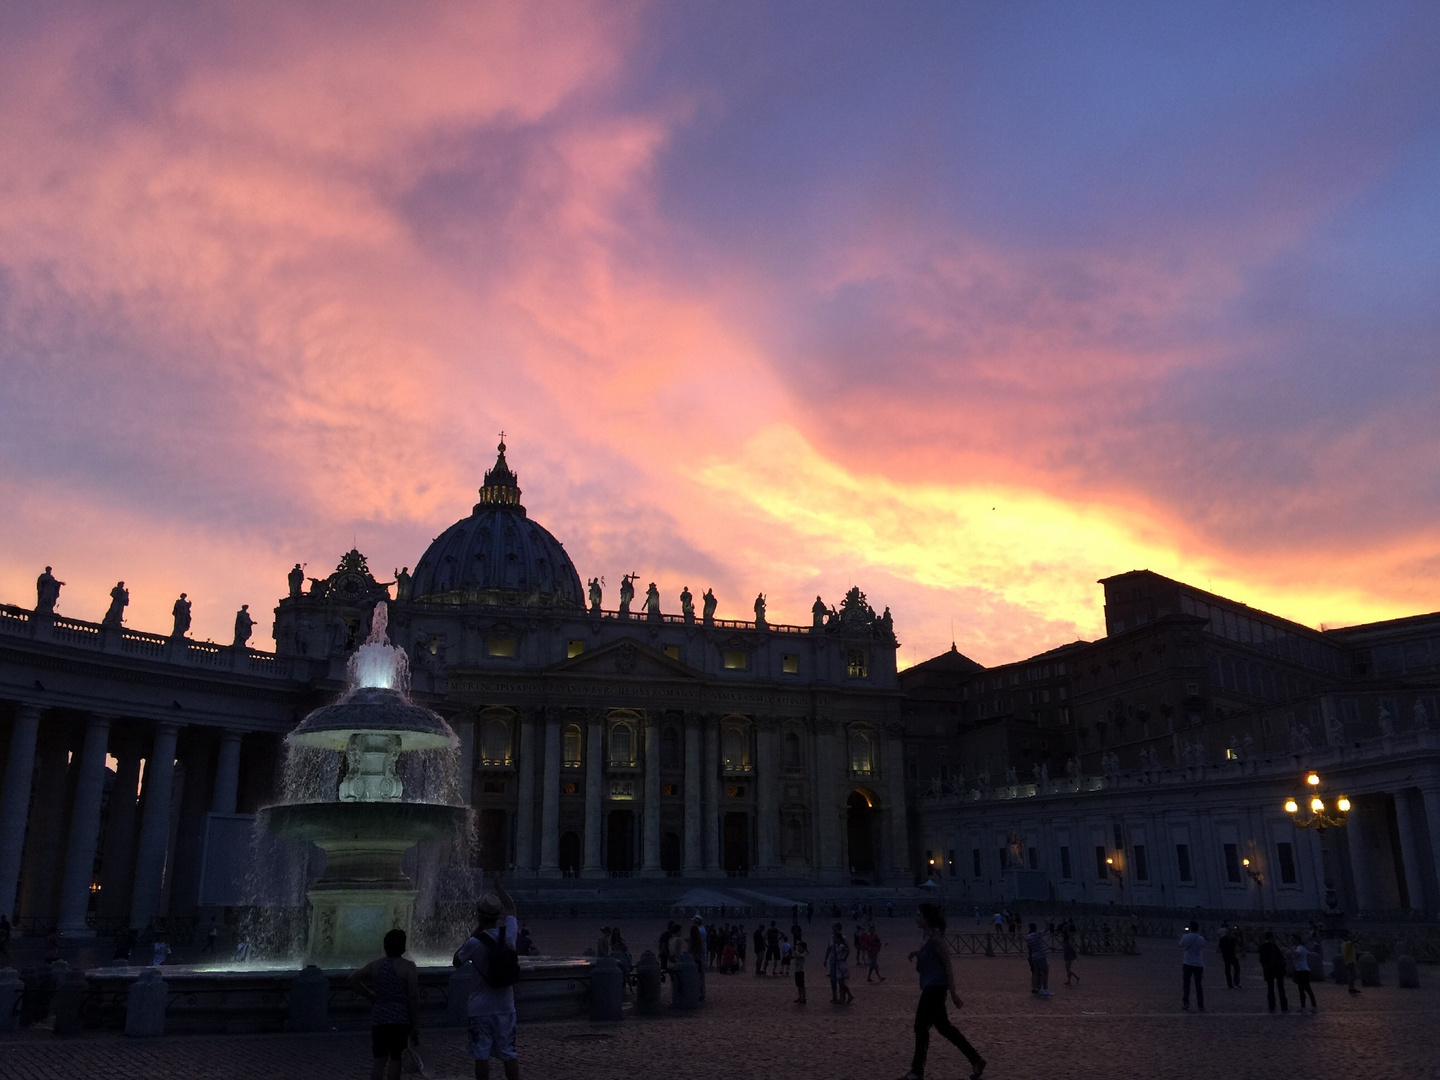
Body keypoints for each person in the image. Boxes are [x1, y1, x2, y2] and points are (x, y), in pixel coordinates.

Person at [903, 903, 985, 1080]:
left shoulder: (936, 939)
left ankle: (917, 1071)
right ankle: (976, 1060)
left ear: (926, 918)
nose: (916, 918)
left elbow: (948, 964)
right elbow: (930, 955)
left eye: (919, 915)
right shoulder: (926, 938)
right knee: (944, 1028)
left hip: (935, 989)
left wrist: (954, 993)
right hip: (931, 987)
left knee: (920, 1026)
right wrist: (917, 953)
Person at [453, 883, 521, 1080]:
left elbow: (456, 960)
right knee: (509, 1053)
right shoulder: (508, 936)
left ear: (479, 916)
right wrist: (499, 887)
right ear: (498, 916)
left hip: (479, 1008)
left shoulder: (474, 943)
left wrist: (474, 933)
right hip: (506, 1006)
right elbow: (512, 908)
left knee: (481, 1055)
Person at [350, 928, 421, 1080]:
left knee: (379, 1061)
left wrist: (369, 995)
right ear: (403, 946)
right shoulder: (408, 967)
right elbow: (413, 996)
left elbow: (353, 978)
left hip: (379, 1017)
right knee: (396, 1060)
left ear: (385, 946)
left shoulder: (376, 965)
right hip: (400, 1019)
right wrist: (414, 1023)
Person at [1257, 932, 1289, 1014]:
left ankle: (1272, 1006)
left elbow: (1261, 960)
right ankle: (1284, 1006)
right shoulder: (1275, 946)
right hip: (1278, 969)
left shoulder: (1263, 947)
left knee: (1270, 988)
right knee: (1281, 988)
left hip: (1268, 970)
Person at [1179, 922, 1205, 1012]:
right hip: (1198, 963)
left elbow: (1180, 945)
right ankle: (1200, 1004)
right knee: (1198, 985)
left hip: (1187, 962)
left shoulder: (1185, 937)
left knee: (1186, 984)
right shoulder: (1201, 938)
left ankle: (1186, 1003)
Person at [826, 925, 853, 1004]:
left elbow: (847, 949)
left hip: (840, 962)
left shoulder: (842, 939)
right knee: (834, 980)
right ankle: (836, 997)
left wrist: (844, 957)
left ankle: (843, 997)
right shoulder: (831, 938)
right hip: (834, 961)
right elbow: (829, 948)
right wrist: (826, 958)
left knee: (841, 981)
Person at [1292, 934, 1318, 1011]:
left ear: (1297, 940)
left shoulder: (1299, 948)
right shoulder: (1303, 948)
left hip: (1301, 971)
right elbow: (1309, 954)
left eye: (1293, 939)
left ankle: (1308, 1006)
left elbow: (1297, 954)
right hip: (1304, 970)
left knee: (1305, 989)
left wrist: (1292, 950)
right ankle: (1309, 1006)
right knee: (1305, 989)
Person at [1026, 923, 1051, 996]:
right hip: (1041, 956)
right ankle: (1045, 989)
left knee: (1036, 973)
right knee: (1045, 972)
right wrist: (1048, 921)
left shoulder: (1029, 937)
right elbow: (1046, 929)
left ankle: (1035, 987)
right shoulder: (1038, 934)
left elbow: (1029, 948)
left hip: (1034, 956)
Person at [1218, 924, 1241, 988]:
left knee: (1233, 969)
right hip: (1229, 955)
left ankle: (1232, 983)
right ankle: (1232, 983)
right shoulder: (1228, 939)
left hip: (1229, 955)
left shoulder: (1227, 939)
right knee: (1231, 969)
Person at [793, 939, 808, 1003]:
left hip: (801, 971)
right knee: (798, 985)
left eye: (799, 947)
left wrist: (794, 951)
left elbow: (799, 957)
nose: (798, 948)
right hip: (797, 970)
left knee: (802, 985)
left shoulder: (804, 953)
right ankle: (800, 997)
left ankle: (804, 998)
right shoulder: (798, 952)